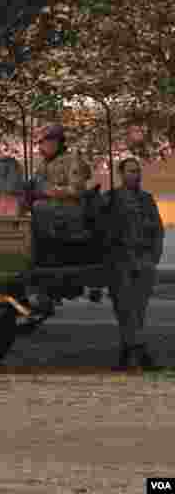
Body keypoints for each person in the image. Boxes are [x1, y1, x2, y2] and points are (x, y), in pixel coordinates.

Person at [106, 157, 164, 370]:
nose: (136, 175)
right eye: (131, 171)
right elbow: (101, 230)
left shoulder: (147, 199)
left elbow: (158, 229)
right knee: (124, 310)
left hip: (144, 260)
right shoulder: (111, 198)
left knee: (138, 310)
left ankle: (129, 353)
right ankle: (139, 353)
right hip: (120, 261)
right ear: (121, 174)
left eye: (138, 171)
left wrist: (154, 258)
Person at [29, 124, 92, 203]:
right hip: (49, 204)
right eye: (38, 143)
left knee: (38, 205)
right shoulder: (44, 163)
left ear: (55, 142)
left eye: (42, 142)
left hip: (69, 206)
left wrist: (53, 191)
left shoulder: (73, 161)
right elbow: (36, 183)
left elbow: (77, 190)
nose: (39, 147)